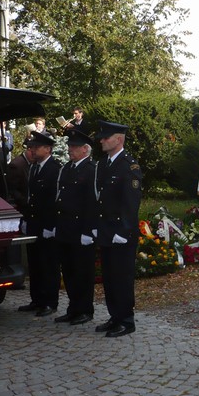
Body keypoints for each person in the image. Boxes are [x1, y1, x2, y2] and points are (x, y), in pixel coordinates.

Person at [94, 120, 142, 337]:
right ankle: (115, 316)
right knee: (110, 277)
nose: (102, 140)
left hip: (121, 233)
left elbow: (131, 203)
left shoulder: (129, 166)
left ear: (119, 139)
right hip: (106, 230)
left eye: (106, 137)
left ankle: (126, 320)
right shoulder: (104, 164)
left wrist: (124, 231)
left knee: (122, 278)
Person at [53, 129, 98, 326]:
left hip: (81, 230)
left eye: (74, 147)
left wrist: (89, 231)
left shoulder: (91, 169)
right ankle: (73, 308)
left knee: (83, 272)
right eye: (69, 146)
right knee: (69, 271)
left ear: (85, 150)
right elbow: (59, 198)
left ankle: (85, 309)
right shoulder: (67, 168)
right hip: (65, 228)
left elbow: (93, 203)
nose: (70, 149)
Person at [18, 131, 62, 317]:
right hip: (35, 223)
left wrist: (51, 226)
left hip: (47, 225)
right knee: (35, 263)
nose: (33, 150)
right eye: (32, 147)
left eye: (37, 147)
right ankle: (37, 299)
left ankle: (50, 301)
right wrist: (26, 220)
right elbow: (31, 198)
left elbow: (55, 200)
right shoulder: (34, 168)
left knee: (48, 264)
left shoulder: (54, 168)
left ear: (48, 149)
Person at [6, 137, 36, 215]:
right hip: (21, 208)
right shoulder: (16, 165)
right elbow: (12, 189)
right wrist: (25, 202)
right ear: (28, 150)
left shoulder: (32, 163)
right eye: (33, 152)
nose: (35, 155)